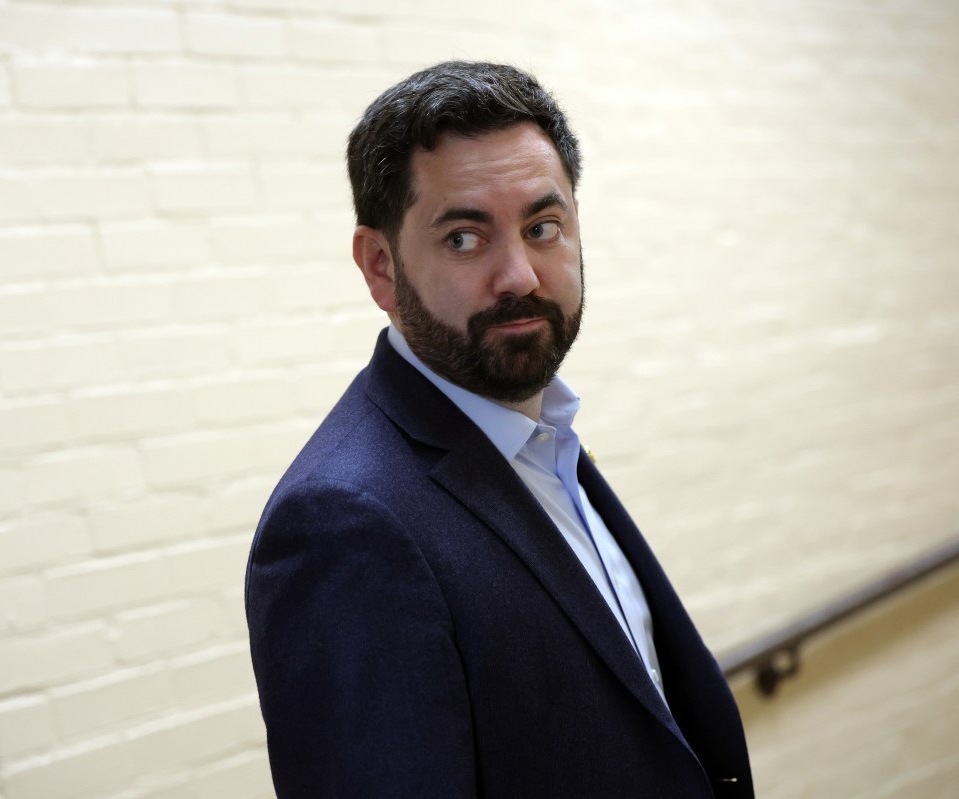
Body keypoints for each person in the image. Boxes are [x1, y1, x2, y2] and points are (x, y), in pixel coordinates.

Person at [245, 60, 754, 798]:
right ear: (381, 267)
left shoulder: (544, 441)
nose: (519, 274)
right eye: (464, 238)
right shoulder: (343, 524)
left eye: (543, 228)